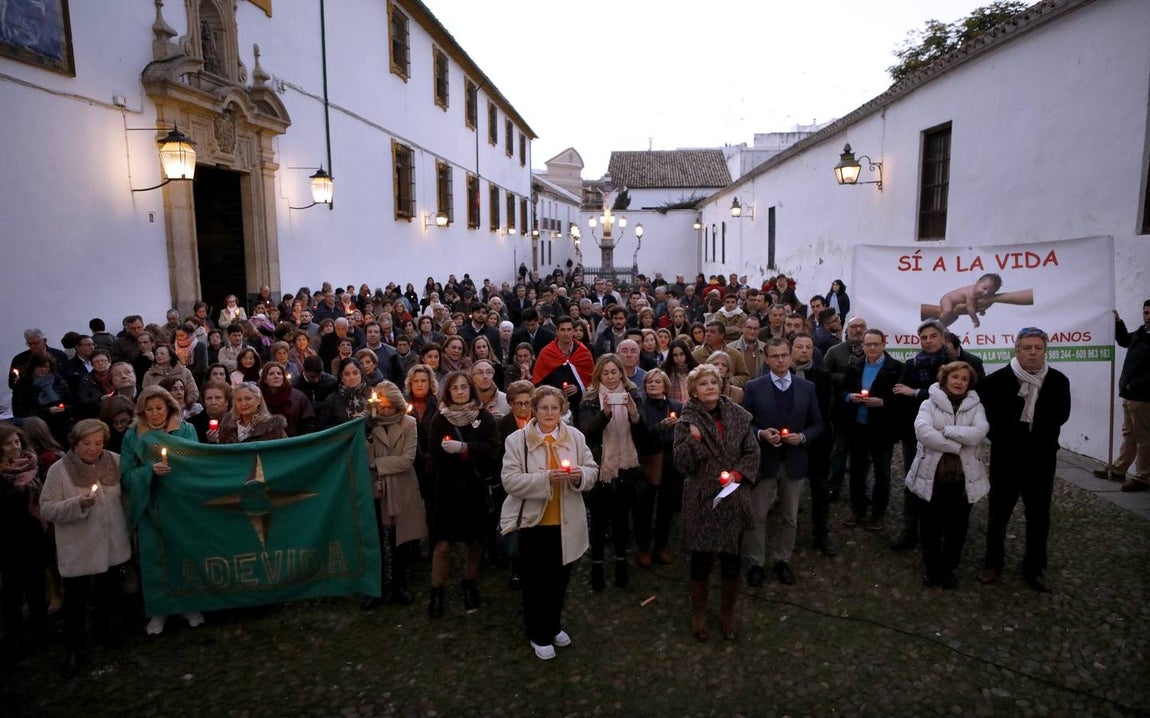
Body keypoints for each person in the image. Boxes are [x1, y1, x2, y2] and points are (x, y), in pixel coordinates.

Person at [500, 385, 597, 660]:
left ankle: (553, 625)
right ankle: (537, 633)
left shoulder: (575, 437)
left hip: (567, 523)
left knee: (560, 580)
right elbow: (510, 481)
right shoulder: (516, 441)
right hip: (534, 523)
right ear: (534, 409)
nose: (549, 413)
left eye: (555, 408)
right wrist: (544, 480)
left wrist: (579, 475)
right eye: (544, 408)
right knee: (535, 582)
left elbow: (592, 470)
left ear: (562, 410)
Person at [977, 327, 1071, 592]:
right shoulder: (995, 381)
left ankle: (1035, 566)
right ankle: (993, 562)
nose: (1032, 352)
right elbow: (989, 420)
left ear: (1044, 350)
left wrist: (1034, 436)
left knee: (1039, 515)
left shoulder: (1058, 381)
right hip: (1006, 458)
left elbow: (1060, 416)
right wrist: (1013, 437)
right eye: (1027, 348)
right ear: (1016, 350)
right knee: (998, 514)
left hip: (1041, 460)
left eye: (1037, 348)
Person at [39, 419, 132, 678]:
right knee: (76, 601)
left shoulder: (113, 460)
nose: (94, 449)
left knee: (108, 593)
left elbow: (127, 492)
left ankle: (104, 632)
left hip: (112, 543)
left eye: (99, 443)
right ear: (75, 443)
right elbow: (47, 508)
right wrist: (77, 503)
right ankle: (73, 649)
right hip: (80, 547)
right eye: (87, 443)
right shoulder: (60, 470)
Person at [673, 363, 758, 640]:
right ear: (694, 392)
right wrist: (694, 442)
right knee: (701, 561)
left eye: (714, 382)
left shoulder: (740, 416)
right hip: (701, 500)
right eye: (703, 384)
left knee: (731, 561)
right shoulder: (687, 422)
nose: (710, 386)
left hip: (732, 496)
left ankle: (728, 614)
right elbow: (681, 465)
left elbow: (752, 452)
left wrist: (737, 473)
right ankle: (699, 614)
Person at [118, 386, 201, 635]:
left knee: (182, 553)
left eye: (159, 408)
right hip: (150, 503)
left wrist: (177, 468)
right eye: (149, 409)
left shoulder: (186, 430)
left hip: (179, 502)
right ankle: (159, 609)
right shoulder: (133, 436)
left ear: (169, 407)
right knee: (155, 557)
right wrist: (148, 472)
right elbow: (125, 475)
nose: (155, 414)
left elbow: (196, 462)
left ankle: (190, 604)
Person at [740, 337, 823, 587]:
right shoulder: (755, 387)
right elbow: (745, 422)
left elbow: (819, 424)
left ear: (790, 356)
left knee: (789, 517)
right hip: (765, 462)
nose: (780, 360)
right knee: (756, 516)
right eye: (774, 356)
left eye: (784, 355)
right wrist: (761, 434)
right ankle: (756, 562)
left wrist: (803, 437)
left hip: (795, 462)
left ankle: (782, 560)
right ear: (766, 359)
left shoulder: (806, 388)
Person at [905, 361, 989, 589]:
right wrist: (956, 446)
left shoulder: (976, 407)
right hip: (932, 475)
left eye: (964, 378)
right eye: (955, 377)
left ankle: (949, 568)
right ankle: (931, 568)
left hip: (964, 478)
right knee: (930, 524)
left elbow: (979, 433)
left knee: (958, 526)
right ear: (945, 379)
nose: (959, 382)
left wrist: (948, 431)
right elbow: (923, 433)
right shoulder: (928, 404)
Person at [426, 371, 500, 618]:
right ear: (447, 392)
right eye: (454, 388)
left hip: (474, 488)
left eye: (464, 387)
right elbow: (433, 454)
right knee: (443, 543)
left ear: (471, 389)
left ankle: (469, 581)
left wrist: (466, 448)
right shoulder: (440, 419)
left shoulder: (483, 417)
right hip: (448, 489)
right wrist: (446, 453)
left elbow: (492, 448)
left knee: (474, 540)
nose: (459, 392)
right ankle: (437, 590)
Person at [578, 354, 643, 591]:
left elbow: (643, 432)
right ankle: (597, 564)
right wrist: (604, 413)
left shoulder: (633, 394)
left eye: (614, 372)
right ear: (599, 375)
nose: (611, 376)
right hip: (601, 467)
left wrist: (635, 414)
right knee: (598, 519)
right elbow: (587, 431)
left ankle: (620, 563)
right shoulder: (590, 398)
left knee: (621, 518)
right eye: (605, 373)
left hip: (626, 467)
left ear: (621, 373)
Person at [362, 381, 427, 609]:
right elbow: (361, 456)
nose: (385, 411)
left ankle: (400, 583)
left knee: (400, 540)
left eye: (389, 407)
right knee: (377, 539)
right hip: (376, 488)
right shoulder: (367, 424)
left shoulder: (409, 423)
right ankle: (376, 588)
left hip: (402, 486)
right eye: (381, 407)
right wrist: (367, 436)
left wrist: (375, 464)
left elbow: (407, 460)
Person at [890, 319, 950, 551]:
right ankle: (910, 529)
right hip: (914, 434)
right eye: (923, 338)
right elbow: (899, 394)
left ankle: (938, 531)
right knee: (913, 480)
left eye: (932, 336)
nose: (928, 341)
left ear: (942, 338)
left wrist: (916, 393)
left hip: (946, 433)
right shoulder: (912, 364)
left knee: (942, 483)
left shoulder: (956, 364)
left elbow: (951, 395)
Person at [842, 329, 903, 532]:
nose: (872, 348)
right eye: (868, 345)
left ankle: (878, 513)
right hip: (858, 427)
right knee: (857, 472)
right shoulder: (855, 367)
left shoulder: (896, 369)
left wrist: (883, 402)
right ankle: (858, 510)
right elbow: (842, 391)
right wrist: (850, 397)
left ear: (884, 344)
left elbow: (902, 400)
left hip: (882, 430)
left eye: (876, 344)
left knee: (882, 473)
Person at [0, 424, 49, 657]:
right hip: (9, 539)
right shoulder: (2, 474)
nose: (15, 446)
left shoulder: (32, 463)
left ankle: (41, 631)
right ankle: (13, 636)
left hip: (33, 533)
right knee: (12, 591)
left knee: (36, 585)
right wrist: (17, 495)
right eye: (9, 443)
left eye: (17, 441)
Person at [1095, 302, 1150, 490]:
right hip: (1130, 394)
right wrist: (1118, 322)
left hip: (1143, 396)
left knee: (1144, 438)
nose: (1148, 316)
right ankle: (1119, 469)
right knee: (1129, 434)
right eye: (1146, 312)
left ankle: (1143, 477)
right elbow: (1125, 340)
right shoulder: (1142, 332)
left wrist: (1134, 384)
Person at [634, 369, 682, 567]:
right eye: (649, 382)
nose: (653, 384)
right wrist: (661, 427)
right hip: (649, 461)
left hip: (671, 463)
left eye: (657, 381)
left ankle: (661, 547)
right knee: (644, 507)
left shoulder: (677, 407)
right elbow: (641, 435)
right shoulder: (640, 408)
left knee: (666, 507)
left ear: (665, 385)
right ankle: (643, 548)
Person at [258, 362, 315, 437]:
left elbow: (309, 422)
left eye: (279, 373)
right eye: (271, 374)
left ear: (283, 377)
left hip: (294, 442)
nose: (276, 376)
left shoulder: (298, 397)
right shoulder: (258, 398)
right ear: (265, 379)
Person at [315, 358, 372, 429]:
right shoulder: (332, 400)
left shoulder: (371, 395)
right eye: (347, 374)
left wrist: (368, 419)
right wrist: (349, 424)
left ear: (361, 373)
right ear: (341, 377)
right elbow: (322, 427)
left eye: (355, 373)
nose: (352, 378)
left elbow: (378, 419)